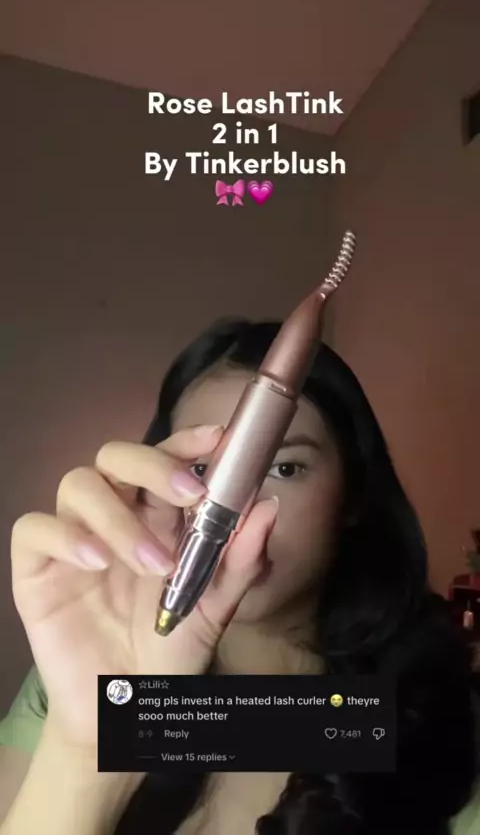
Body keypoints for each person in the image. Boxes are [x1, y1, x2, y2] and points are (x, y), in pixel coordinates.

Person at [0, 319, 479, 835]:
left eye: (285, 468)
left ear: (353, 495)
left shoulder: (437, 726)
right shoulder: (85, 688)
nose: (234, 508)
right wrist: (94, 745)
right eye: (201, 471)